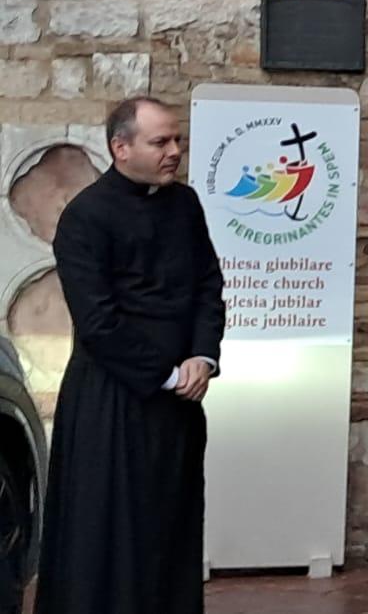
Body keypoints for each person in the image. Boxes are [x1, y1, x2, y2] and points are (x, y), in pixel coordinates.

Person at [35, 97, 225, 614]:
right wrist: (166, 374)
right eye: (160, 142)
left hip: (181, 401)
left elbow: (209, 285)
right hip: (112, 401)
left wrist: (202, 357)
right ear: (121, 148)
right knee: (108, 536)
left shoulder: (184, 205)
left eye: (177, 140)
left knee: (171, 528)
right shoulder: (85, 218)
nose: (175, 152)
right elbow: (98, 322)